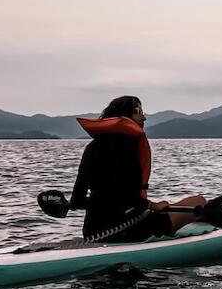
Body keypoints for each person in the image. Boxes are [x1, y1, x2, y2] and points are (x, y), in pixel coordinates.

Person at [70, 95, 206, 242]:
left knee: (170, 207)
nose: (144, 118)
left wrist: (101, 203)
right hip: (127, 230)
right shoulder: (128, 145)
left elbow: (77, 201)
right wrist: (153, 205)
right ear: (125, 116)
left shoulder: (91, 147)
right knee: (199, 201)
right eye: (138, 112)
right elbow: (126, 195)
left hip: (91, 232)